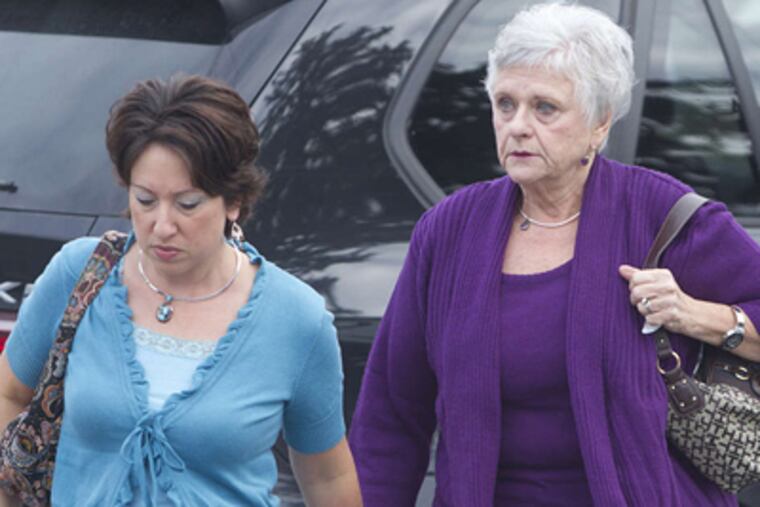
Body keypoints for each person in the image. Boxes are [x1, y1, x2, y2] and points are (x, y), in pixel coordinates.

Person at [349, 3, 760, 506]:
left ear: (599, 123)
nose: (518, 126)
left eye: (545, 108)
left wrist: (697, 316)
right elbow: (392, 414)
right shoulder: (448, 232)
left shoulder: (664, 217)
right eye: (505, 104)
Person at [0, 75, 362, 506]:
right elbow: (9, 393)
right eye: (145, 200)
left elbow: (328, 476)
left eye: (188, 204)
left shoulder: (297, 318)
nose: (162, 225)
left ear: (234, 201)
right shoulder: (80, 274)